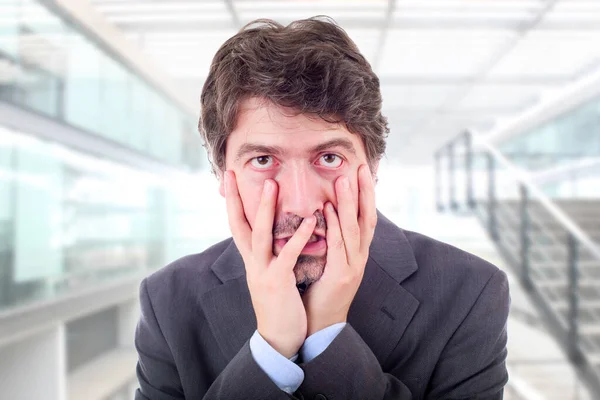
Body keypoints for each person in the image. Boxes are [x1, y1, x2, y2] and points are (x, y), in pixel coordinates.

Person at [134, 17, 510, 400]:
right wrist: (271, 348)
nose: (301, 203)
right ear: (222, 175)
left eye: (329, 158)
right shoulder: (168, 303)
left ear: (373, 167)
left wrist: (328, 335)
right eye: (263, 160)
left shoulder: (470, 293)